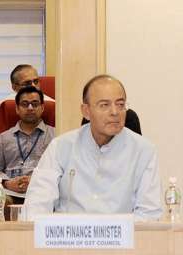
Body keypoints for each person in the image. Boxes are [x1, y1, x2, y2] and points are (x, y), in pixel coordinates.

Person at [24, 74, 162, 221]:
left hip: (121, 240)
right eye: (104, 105)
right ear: (86, 111)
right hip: (67, 239)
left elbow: (150, 214)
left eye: (120, 104)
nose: (115, 112)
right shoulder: (61, 147)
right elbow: (36, 205)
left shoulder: (144, 151)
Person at [0, 86, 54, 205]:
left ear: (42, 108)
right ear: (17, 109)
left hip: (42, 191)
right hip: (10, 192)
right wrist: (7, 183)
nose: (30, 108)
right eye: (25, 104)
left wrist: (37, 181)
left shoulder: (55, 135)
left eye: (35, 104)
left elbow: (61, 169)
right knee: (2, 201)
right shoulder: (3, 138)